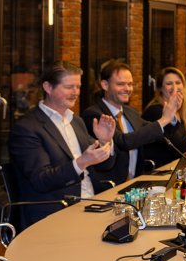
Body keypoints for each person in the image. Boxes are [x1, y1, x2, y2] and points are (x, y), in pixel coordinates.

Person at [8, 62, 116, 227]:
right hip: (56, 213)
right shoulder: (27, 128)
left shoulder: (76, 121)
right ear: (48, 87)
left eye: (78, 87)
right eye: (69, 87)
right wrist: (81, 163)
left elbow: (106, 165)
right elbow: (41, 180)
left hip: (91, 204)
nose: (76, 93)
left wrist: (104, 142)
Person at [81, 60, 178, 186]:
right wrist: (164, 119)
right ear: (105, 85)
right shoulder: (94, 114)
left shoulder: (131, 112)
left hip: (135, 183)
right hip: (110, 187)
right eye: (121, 84)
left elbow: (155, 133)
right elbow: (123, 142)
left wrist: (171, 117)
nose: (127, 89)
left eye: (130, 84)